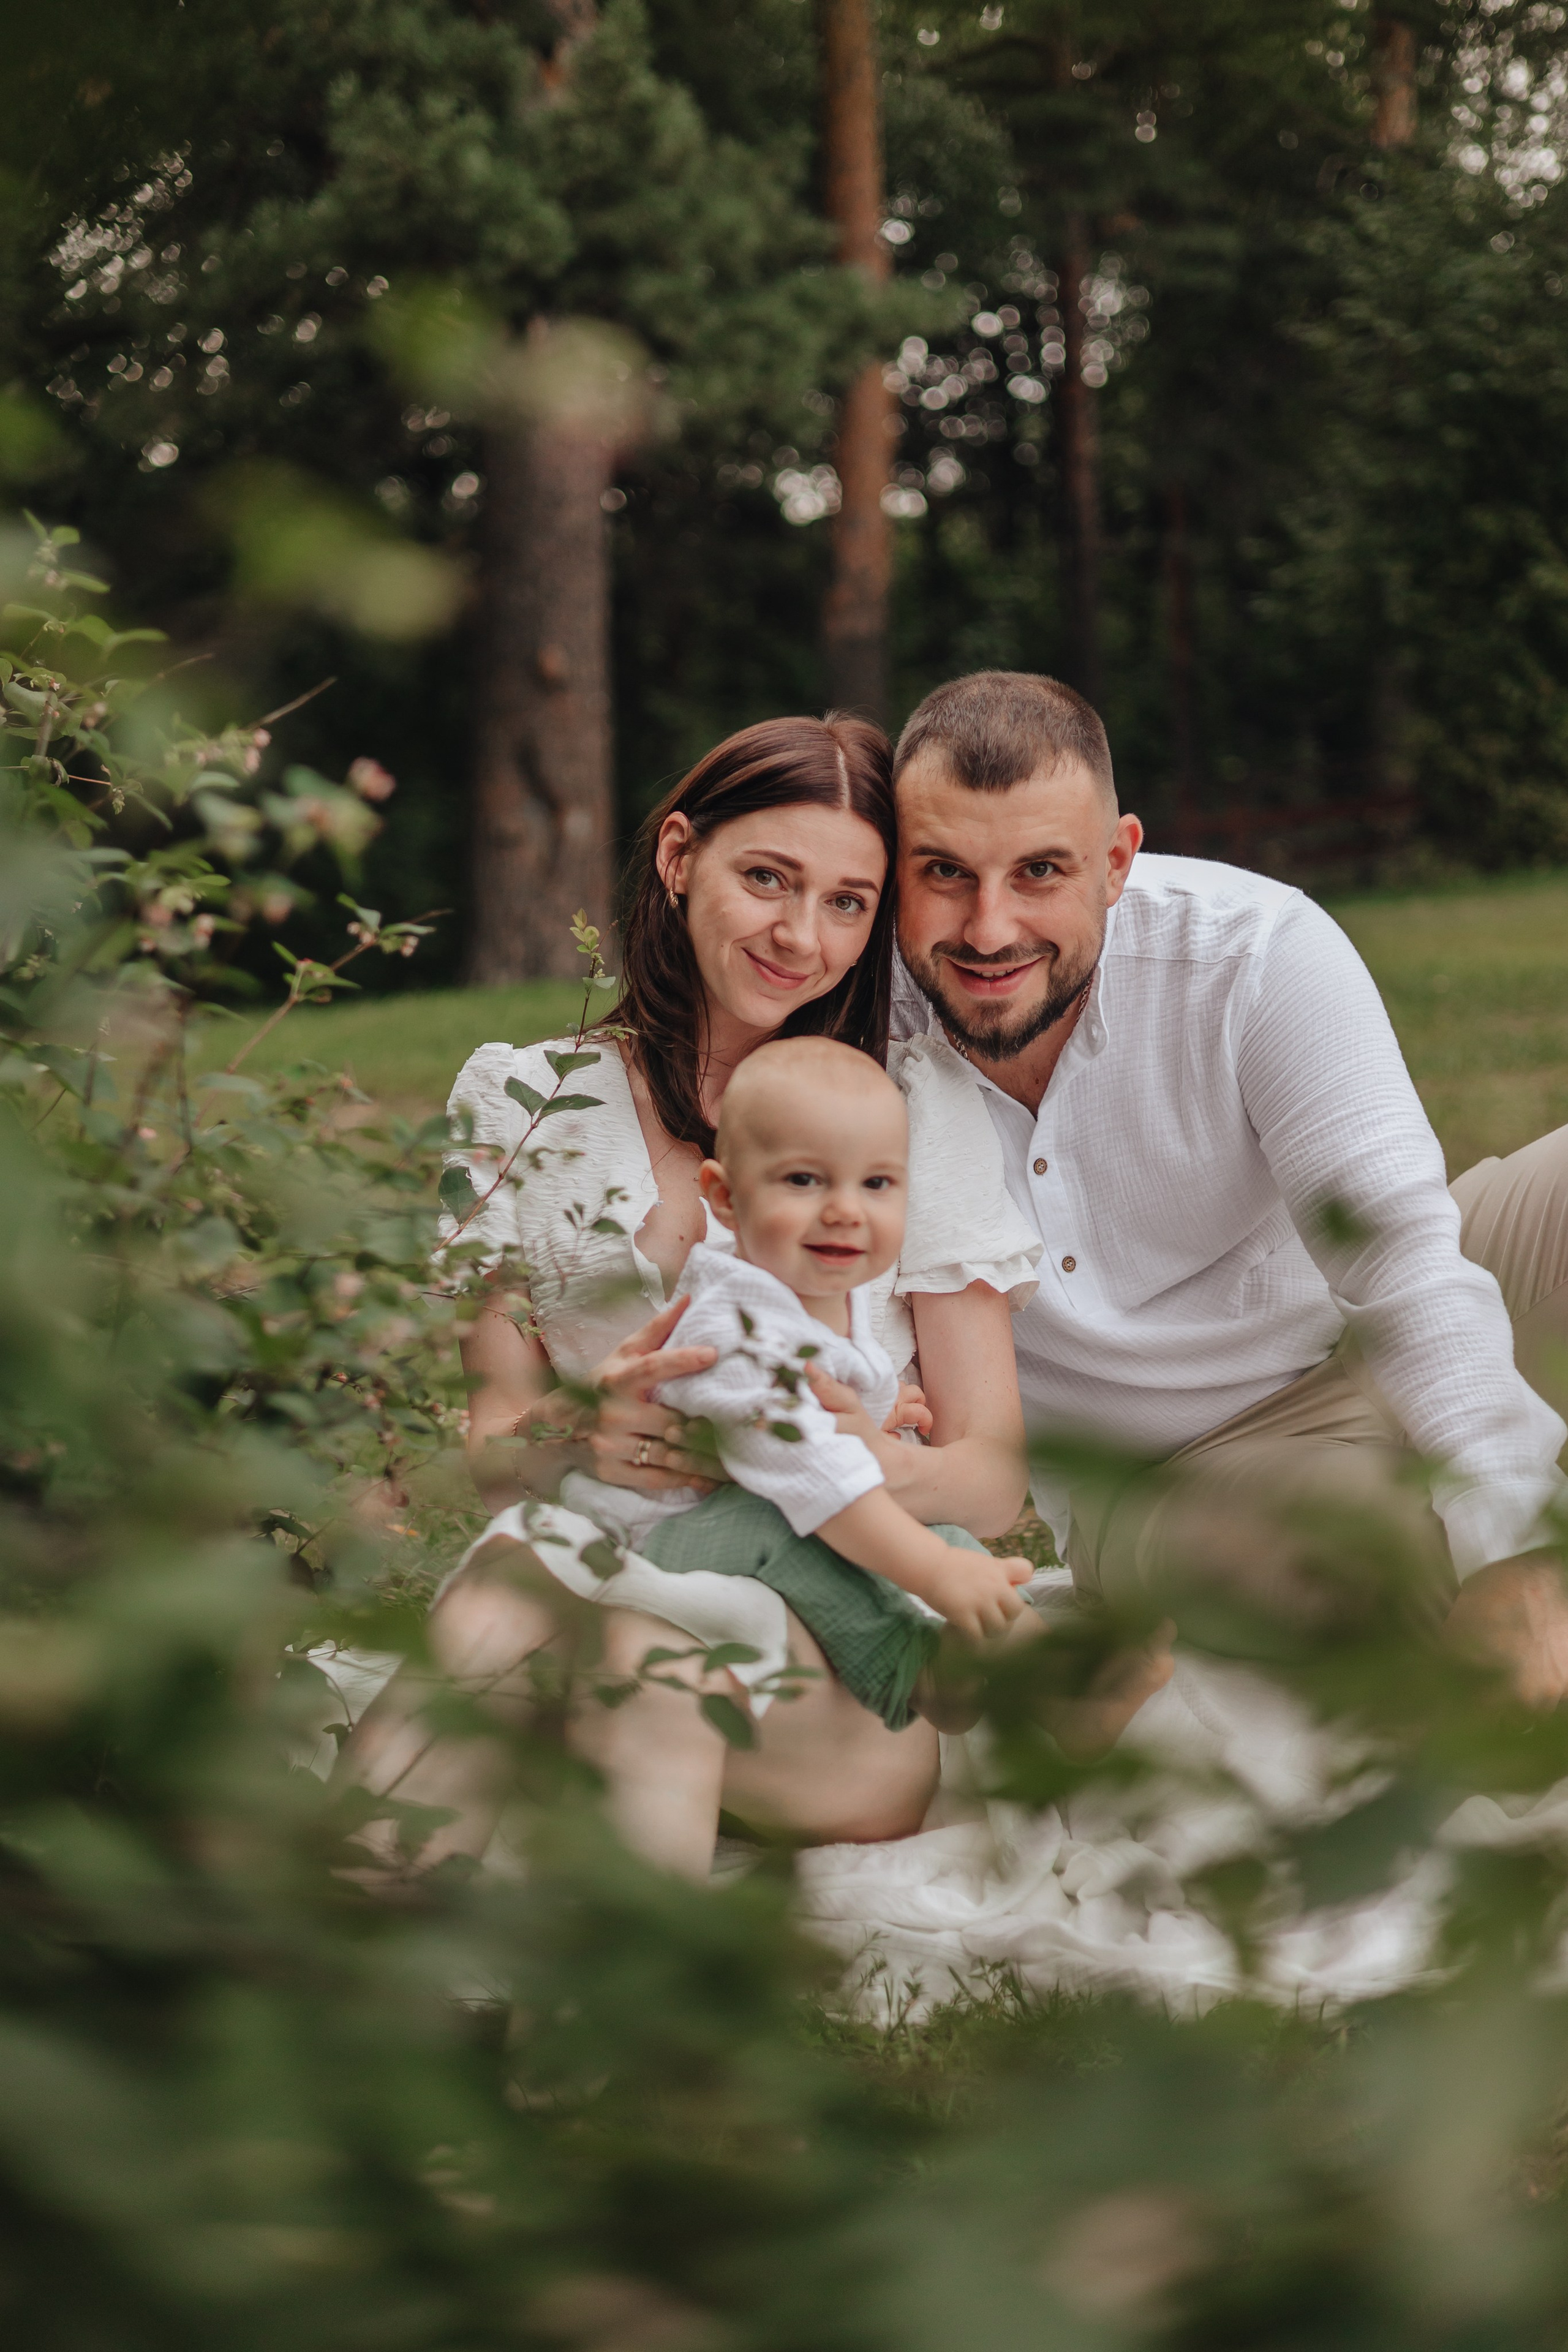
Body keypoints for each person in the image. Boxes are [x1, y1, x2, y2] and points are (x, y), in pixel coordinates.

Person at [338, 714, 1042, 1880]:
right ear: (678, 858)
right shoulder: (527, 1102)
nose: (801, 936)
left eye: (848, 902)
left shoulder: (908, 1110)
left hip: (836, 1674)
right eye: (767, 879)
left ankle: (557, 1959)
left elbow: (994, 1476)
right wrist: (578, 1427)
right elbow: (495, 1449)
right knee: (535, 1574)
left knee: (627, 1653)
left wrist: (849, 1457)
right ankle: (359, 1907)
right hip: (614, 1596)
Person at [886, 669, 1568, 1697]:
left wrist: (1513, 1543)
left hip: (1351, 1324)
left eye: (1040, 872)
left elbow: (1400, 1256)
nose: (988, 929)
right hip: (1173, 1476)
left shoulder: (1250, 951)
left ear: (1116, 863)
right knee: (1372, 1564)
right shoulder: (847, 1035)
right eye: (945, 872)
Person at [548, 1033, 1035, 1729]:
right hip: (656, 1536)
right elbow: (811, 1476)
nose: (844, 1210)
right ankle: (908, 1667)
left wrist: (878, 1410)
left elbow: (827, 1393)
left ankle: (1054, 1673)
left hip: (747, 1499)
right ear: (724, 1197)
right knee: (800, 1531)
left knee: (951, 1539)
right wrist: (931, 1572)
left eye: (876, 1184)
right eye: (804, 1181)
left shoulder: (825, 1286)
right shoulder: (733, 1326)